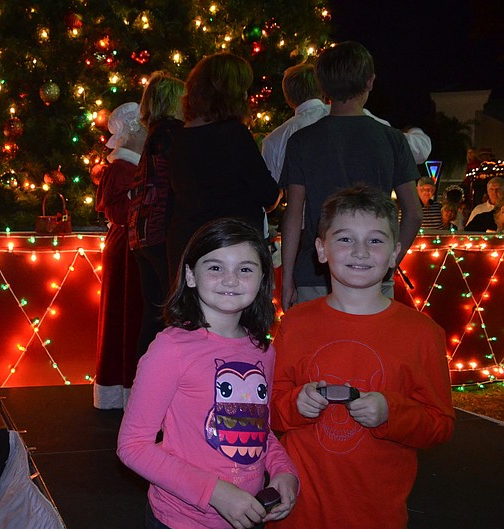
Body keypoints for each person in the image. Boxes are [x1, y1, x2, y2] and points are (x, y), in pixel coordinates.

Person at [264, 186, 455, 529]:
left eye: (376, 240)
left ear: (395, 253)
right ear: (321, 249)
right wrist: (294, 403)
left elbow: (439, 424)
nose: (361, 252)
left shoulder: (422, 334)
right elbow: (266, 411)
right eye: (345, 238)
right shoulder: (296, 324)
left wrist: (391, 412)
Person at [118, 217, 298, 529]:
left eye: (246, 269)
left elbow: (257, 429)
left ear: (263, 279)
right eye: (215, 266)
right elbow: (133, 446)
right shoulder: (171, 349)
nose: (230, 279)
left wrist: (284, 471)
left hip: (247, 521)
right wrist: (215, 493)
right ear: (190, 275)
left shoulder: (263, 350)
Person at [279, 41, 422, 311]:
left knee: (320, 349)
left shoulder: (302, 141)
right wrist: (389, 260)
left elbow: (293, 214)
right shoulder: (391, 139)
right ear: (369, 81)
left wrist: (287, 279)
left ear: (322, 86)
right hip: (372, 270)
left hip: (315, 269)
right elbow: (413, 213)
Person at [167, 53, 279, 280]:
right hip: (230, 249)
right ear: (231, 94)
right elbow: (267, 193)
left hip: (188, 246)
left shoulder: (179, 138)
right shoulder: (233, 134)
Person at [261, 63, 431, 183]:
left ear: (288, 98)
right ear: (323, 88)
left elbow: (273, 192)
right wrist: (416, 132)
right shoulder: (355, 116)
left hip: (306, 226)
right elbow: (417, 150)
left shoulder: (275, 140)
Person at [127, 71, 186, 362]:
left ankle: (143, 386)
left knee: (152, 314)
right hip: (163, 233)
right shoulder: (172, 133)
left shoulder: (154, 134)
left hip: (141, 234)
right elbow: (179, 184)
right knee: (172, 313)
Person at [94, 101, 147, 409]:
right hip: (127, 247)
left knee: (132, 314)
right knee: (126, 313)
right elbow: (124, 211)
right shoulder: (121, 169)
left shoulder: (131, 166)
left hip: (132, 245)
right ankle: (123, 386)